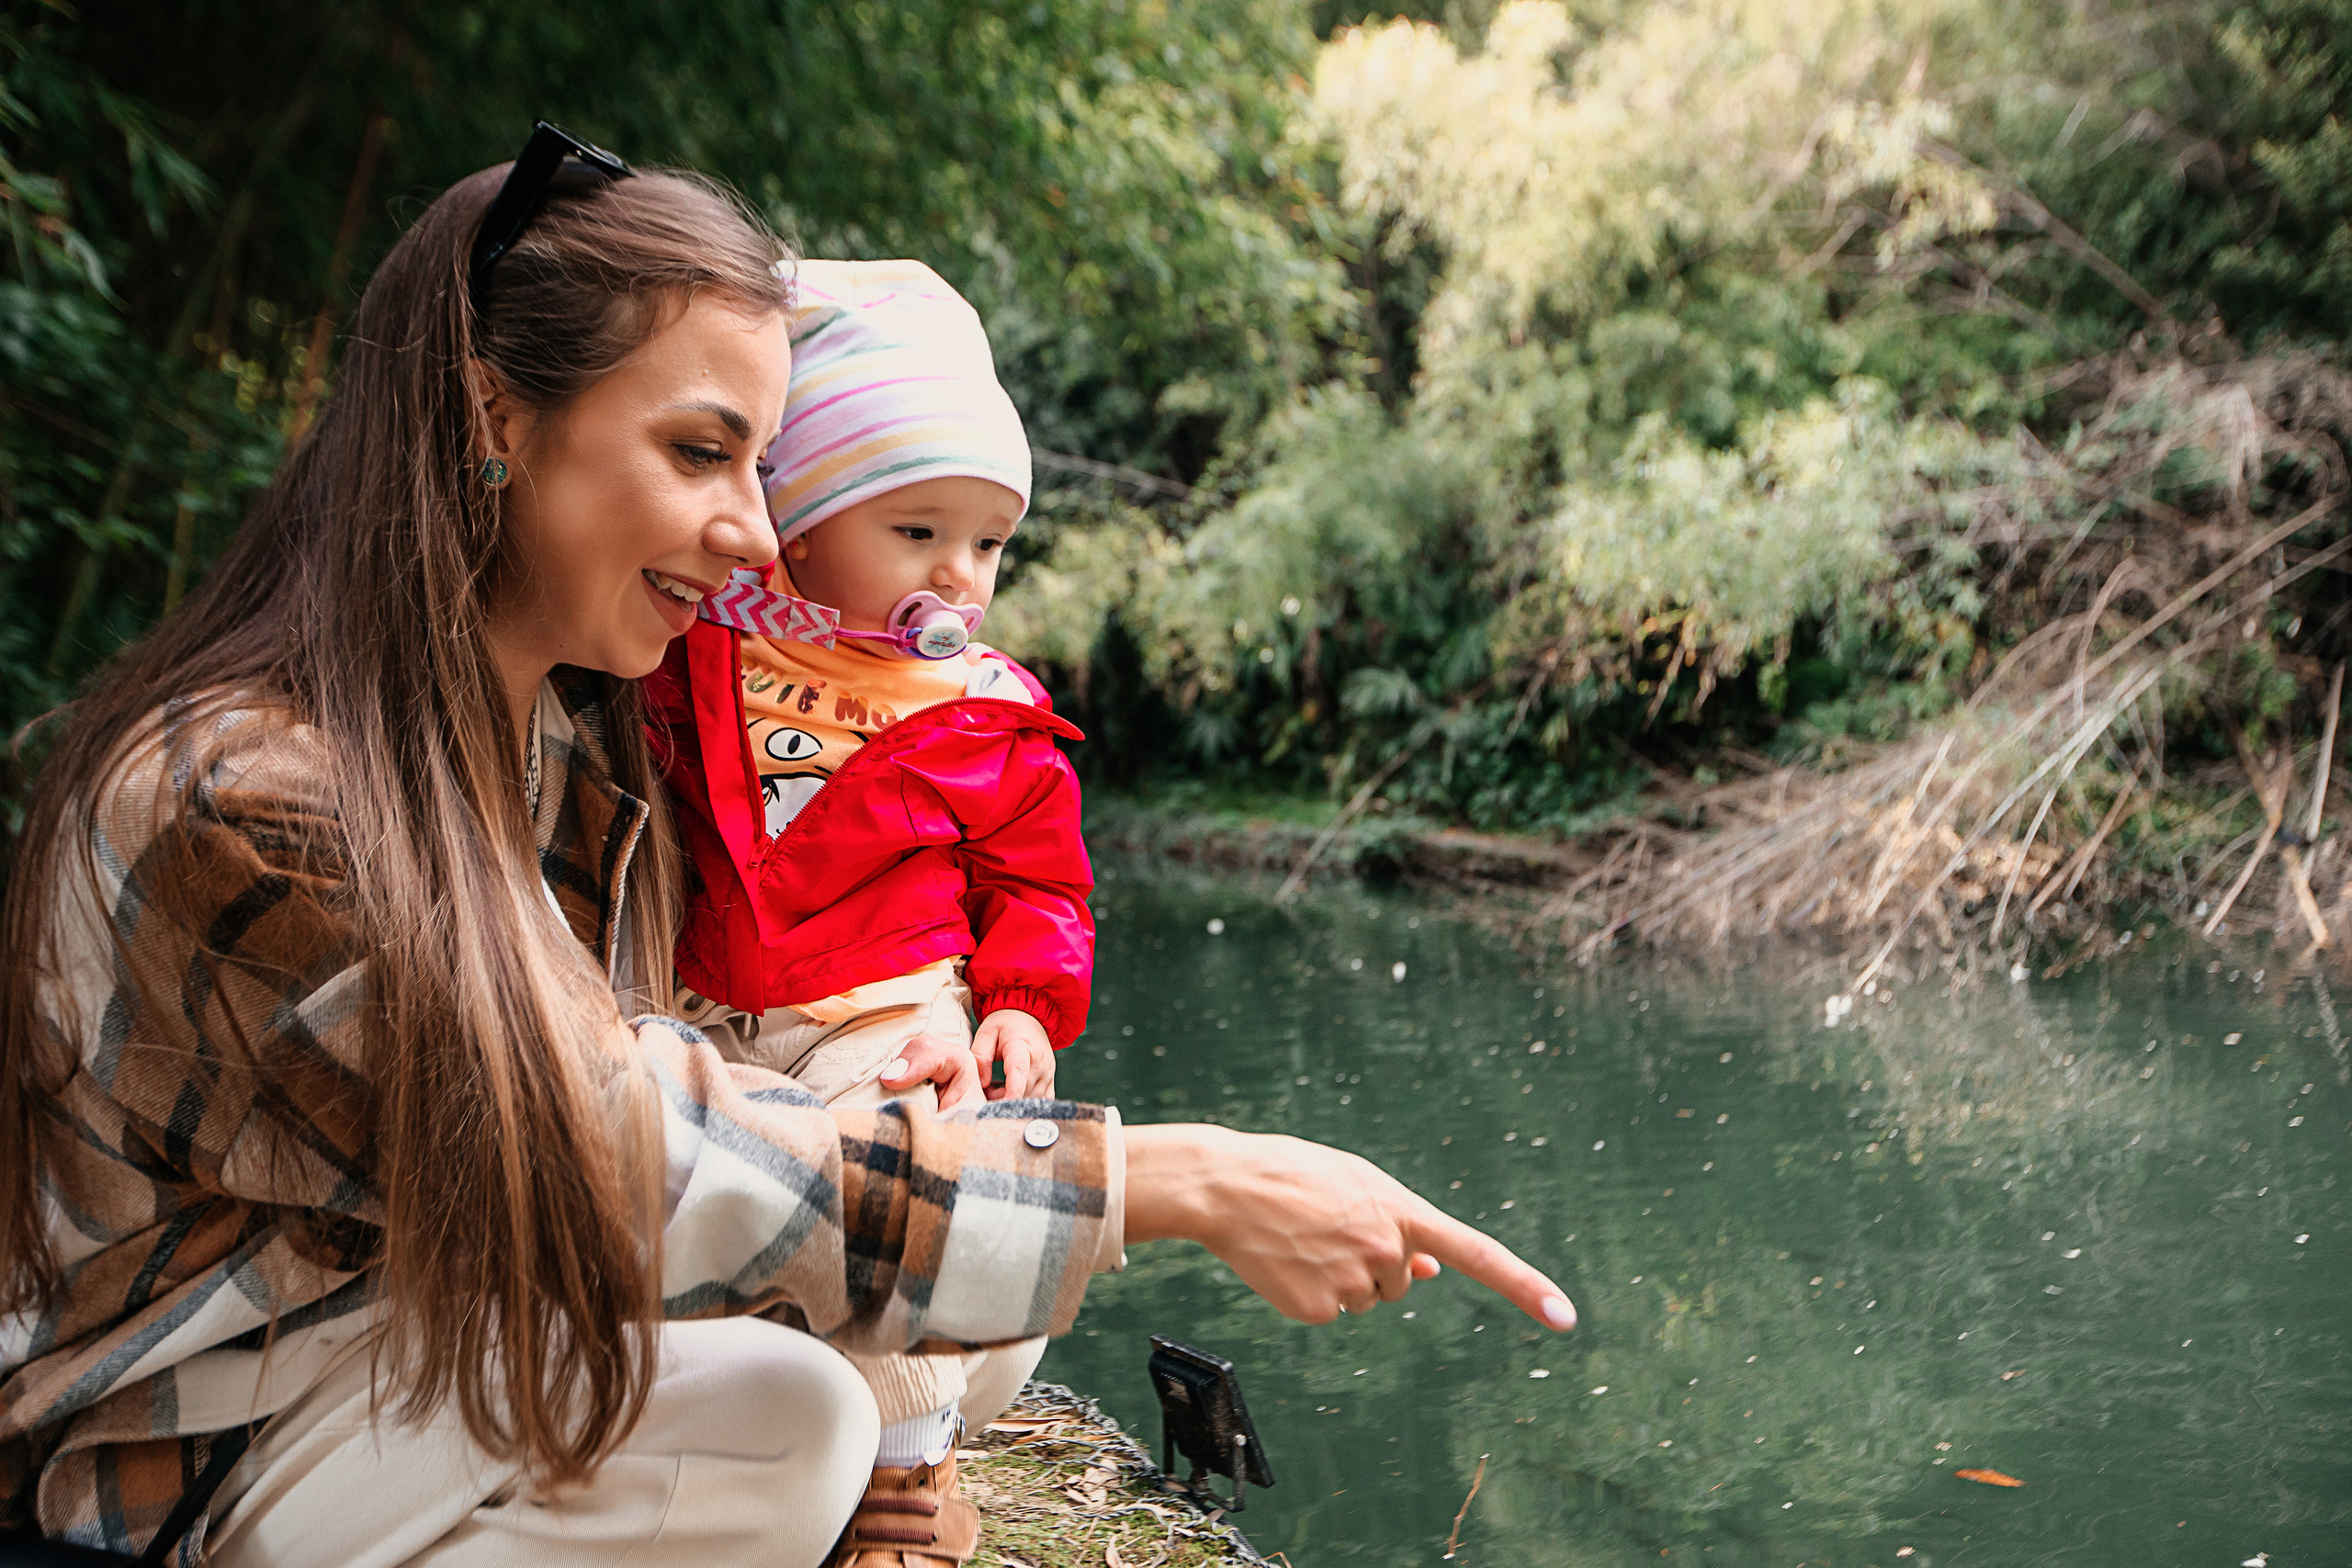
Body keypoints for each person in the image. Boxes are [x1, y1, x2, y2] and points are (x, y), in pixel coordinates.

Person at [0, 129, 1576, 1568]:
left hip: (450, 1329)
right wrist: (1180, 1179)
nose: (759, 530)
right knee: (796, 1414)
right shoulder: (251, 799)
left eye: (764, 463)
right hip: (207, 1443)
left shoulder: (560, 731)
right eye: (701, 453)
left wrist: (931, 1091)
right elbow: (623, 1161)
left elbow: (684, 1068)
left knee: (959, 1325)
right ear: (493, 414)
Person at [646, 258, 1083, 1562]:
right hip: (700, 1011)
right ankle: (804, 1456)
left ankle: (903, 1490)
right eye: (916, 531)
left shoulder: (988, 714)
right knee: (735, 1238)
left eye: (990, 542)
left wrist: (1019, 1004)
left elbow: (1041, 884)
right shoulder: (693, 650)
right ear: (800, 511)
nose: (959, 573)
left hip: (882, 1007)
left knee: (900, 1200)